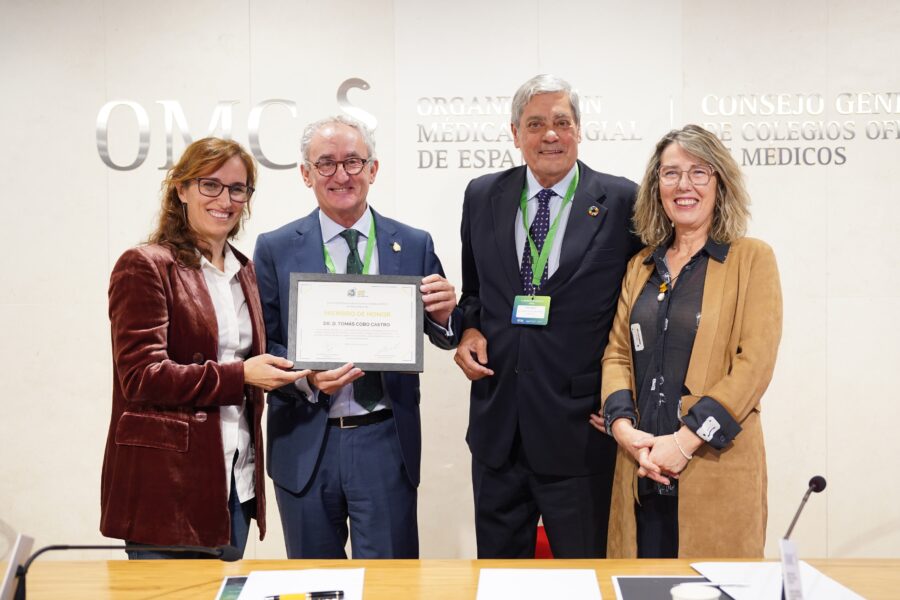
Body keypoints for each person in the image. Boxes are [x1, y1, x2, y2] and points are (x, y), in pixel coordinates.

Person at [254, 115, 461, 559]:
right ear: (305, 174)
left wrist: (446, 315)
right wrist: (304, 378)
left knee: (391, 586)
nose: (341, 174)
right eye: (325, 164)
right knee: (314, 585)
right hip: (306, 441)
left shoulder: (413, 242)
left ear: (373, 169)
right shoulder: (274, 248)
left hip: (384, 439)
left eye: (353, 161)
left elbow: (444, 336)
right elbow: (262, 343)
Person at [455, 74, 643, 558]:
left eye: (562, 121)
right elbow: (474, 291)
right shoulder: (482, 195)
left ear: (580, 129)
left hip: (580, 432)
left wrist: (628, 396)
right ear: (515, 133)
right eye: (535, 124)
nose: (550, 135)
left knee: (586, 580)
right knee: (498, 583)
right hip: (499, 430)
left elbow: (641, 308)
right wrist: (469, 327)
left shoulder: (623, 200)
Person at [100, 138, 309, 559]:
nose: (225, 199)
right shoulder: (144, 265)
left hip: (236, 482)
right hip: (168, 486)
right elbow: (142, 376)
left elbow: (258, 361)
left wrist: (307, 372)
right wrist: (242, 375)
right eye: (210, 185)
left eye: (238, 189)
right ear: (181, 189)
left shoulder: (245, 270)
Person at [591, 124, 783, 558]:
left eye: (699, 172)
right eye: (670, 173)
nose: (684, 186)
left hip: (712, 466)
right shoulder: (641, 264)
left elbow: (753, 366)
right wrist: (625, 432)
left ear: (721, 182)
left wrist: (682, 443)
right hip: (639, 466)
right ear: (656, 185)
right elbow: (618, 353)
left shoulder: (752, 259)